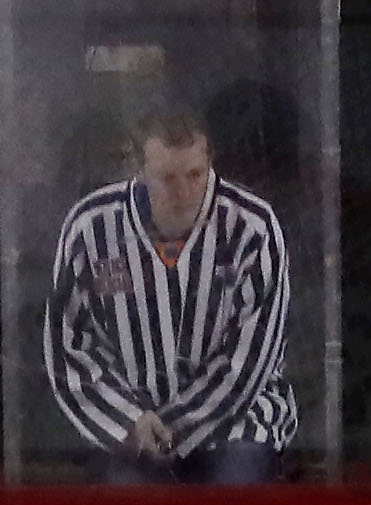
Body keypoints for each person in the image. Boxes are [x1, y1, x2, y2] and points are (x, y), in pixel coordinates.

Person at [40, 103, 299, 485]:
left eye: (195, 174)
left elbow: (249, 361)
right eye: (167, 178)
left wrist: (173, 428)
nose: (183, 192)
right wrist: (128, 422)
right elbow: (69, 347)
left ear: (211, 163)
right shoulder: (89, 229)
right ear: (139, 170)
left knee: (236, 492)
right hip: (130, 429)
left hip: (238, 424)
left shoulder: (254, 229)